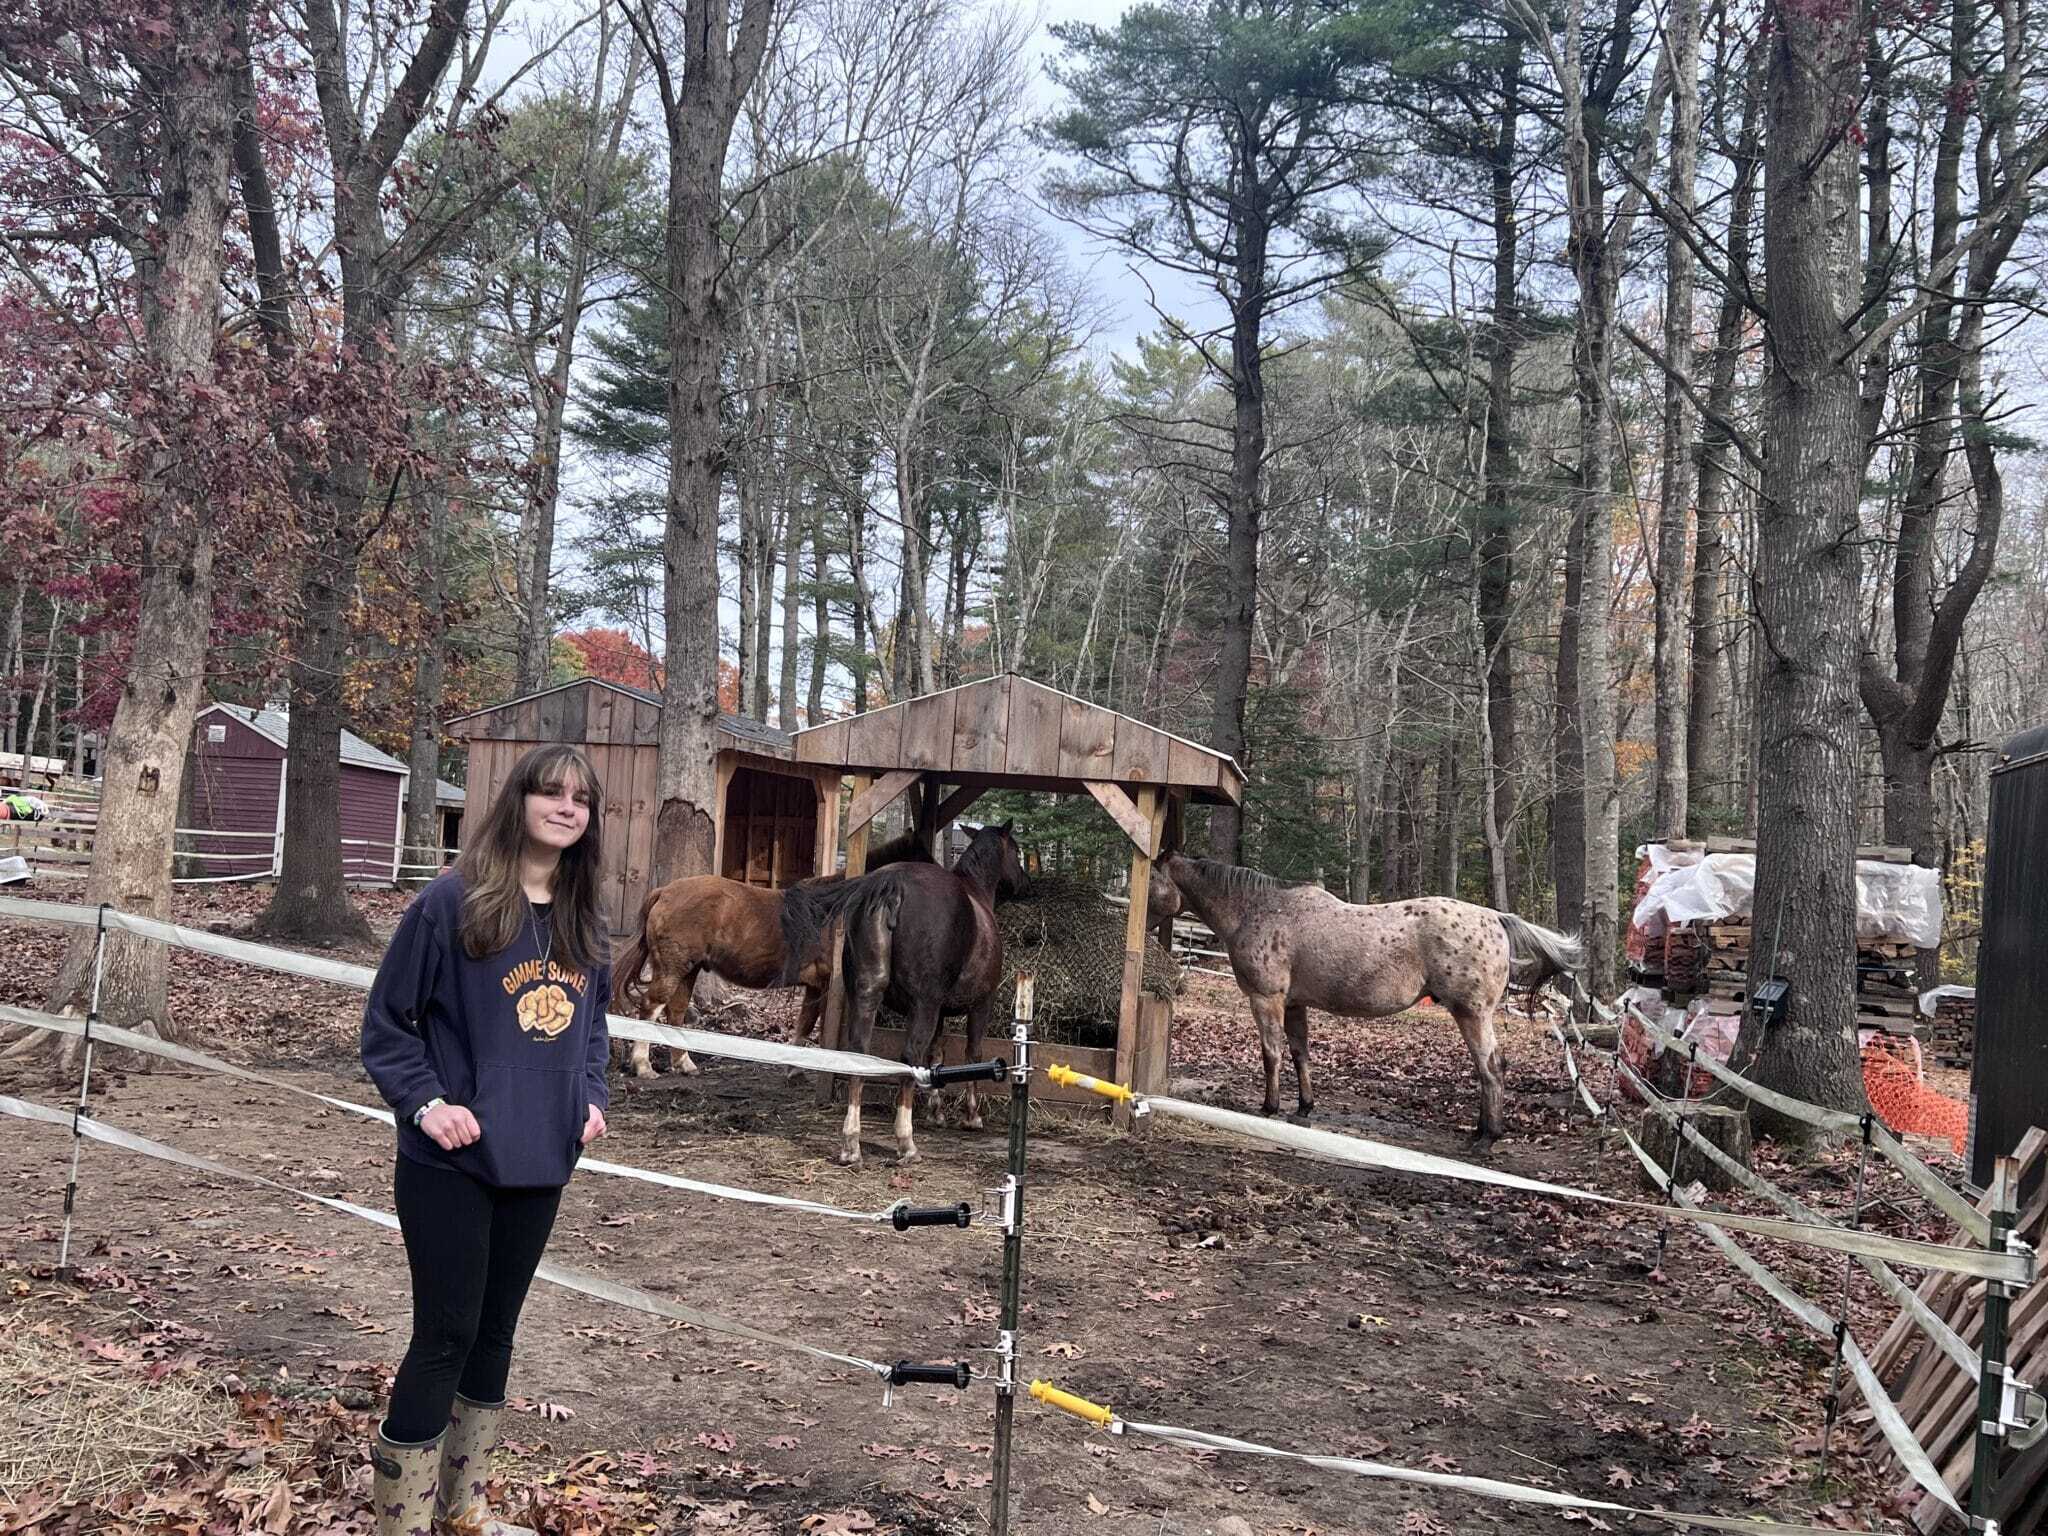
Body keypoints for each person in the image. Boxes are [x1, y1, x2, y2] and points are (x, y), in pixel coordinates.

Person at [360, 744, 613, 1536]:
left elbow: (594, 1030)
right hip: (452, 1164)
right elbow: (387, 1026)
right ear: (519, 801)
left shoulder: (583, 918)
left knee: (496, 1334)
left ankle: (461, 1509)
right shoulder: (452, 902)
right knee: (446, 1335)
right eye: (551, 793)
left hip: (542, 1159)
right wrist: (425, 1103)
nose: (566, 808)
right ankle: (401, 1524)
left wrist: (591, 1096)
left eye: (580, 799)